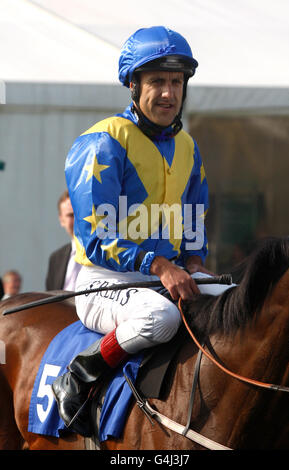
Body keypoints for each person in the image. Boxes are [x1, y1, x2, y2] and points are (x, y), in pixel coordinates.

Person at [52, 26, 222, 436]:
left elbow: (195, 215)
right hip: (103, 281)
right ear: (133, 84)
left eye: (176, 82)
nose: (168, 93)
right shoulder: (103, 143)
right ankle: (82, 372)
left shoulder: (188, 146)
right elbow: (96, 237)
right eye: (157, 82)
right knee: (159, 317)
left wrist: (196, 265)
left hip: (163, 276)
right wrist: (160, 265)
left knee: (236, 304)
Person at [45, 190, 81, 291]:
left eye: (79, 214)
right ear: (61, 220)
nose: (77, 220)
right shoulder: (56, 259)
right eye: (71, 215)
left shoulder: (101, 254)